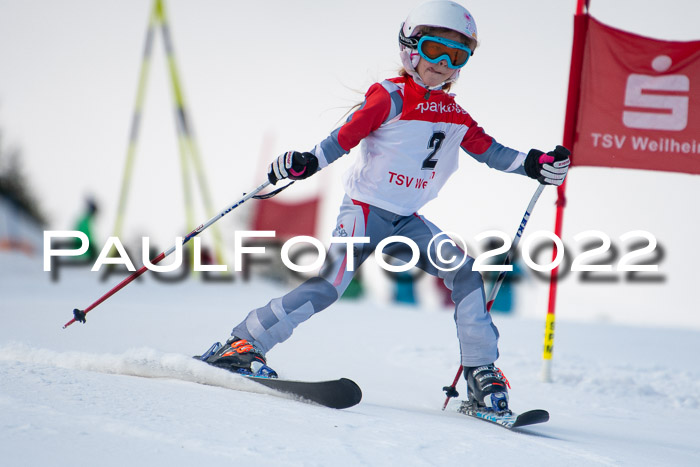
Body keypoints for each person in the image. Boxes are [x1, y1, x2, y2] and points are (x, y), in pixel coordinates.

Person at [199, 0, 570, 412]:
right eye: (435, 50)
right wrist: (306, 162)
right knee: (329, 285)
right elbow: (345, 136)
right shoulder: (390, 96)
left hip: (408, 223)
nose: (444, 62)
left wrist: (536, 164)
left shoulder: (455, 115)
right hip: (364, 212)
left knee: (466, 273)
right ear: (410, 48)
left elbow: (492, 152)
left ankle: (481, 374)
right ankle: (241, 344)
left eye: (457, 55)